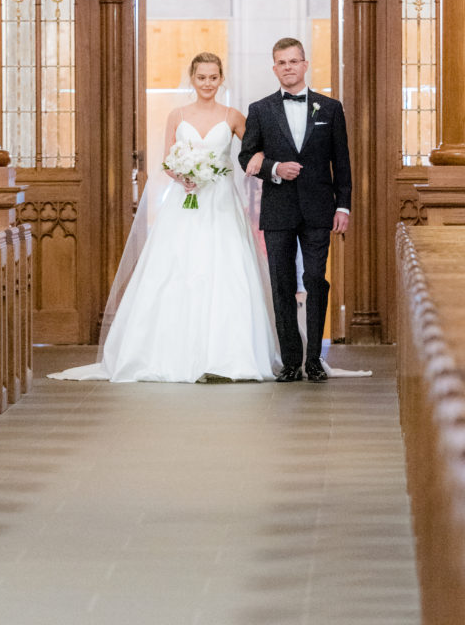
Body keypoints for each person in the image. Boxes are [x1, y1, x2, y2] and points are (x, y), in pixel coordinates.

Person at [49, 52, 280, 383]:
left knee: (225, 268)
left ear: (221, 78)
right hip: (186, 201)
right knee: (176, 268)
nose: (207, 84)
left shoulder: (232, 116)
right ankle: (170, 352)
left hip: (221, 202)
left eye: (213, 77)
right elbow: (167, 160)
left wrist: (259, 156)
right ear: (192, 78)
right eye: (202, 77)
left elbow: (251, 149)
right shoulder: (178, 114)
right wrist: (183, 175)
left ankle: (229, 353)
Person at [239, 37, 352, 383]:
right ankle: (291, 361)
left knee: (315, 280)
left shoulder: (329, 108)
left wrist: (343, 206)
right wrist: (275, 168)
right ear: (274, 69)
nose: (288, 67)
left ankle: (315, 359)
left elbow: (342, 163)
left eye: (293, 61)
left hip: (320, 209)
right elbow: (247, 157)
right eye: (281, 62)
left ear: (305, 64)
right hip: (278, 209)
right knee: (282, 284)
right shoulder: (259, 110)